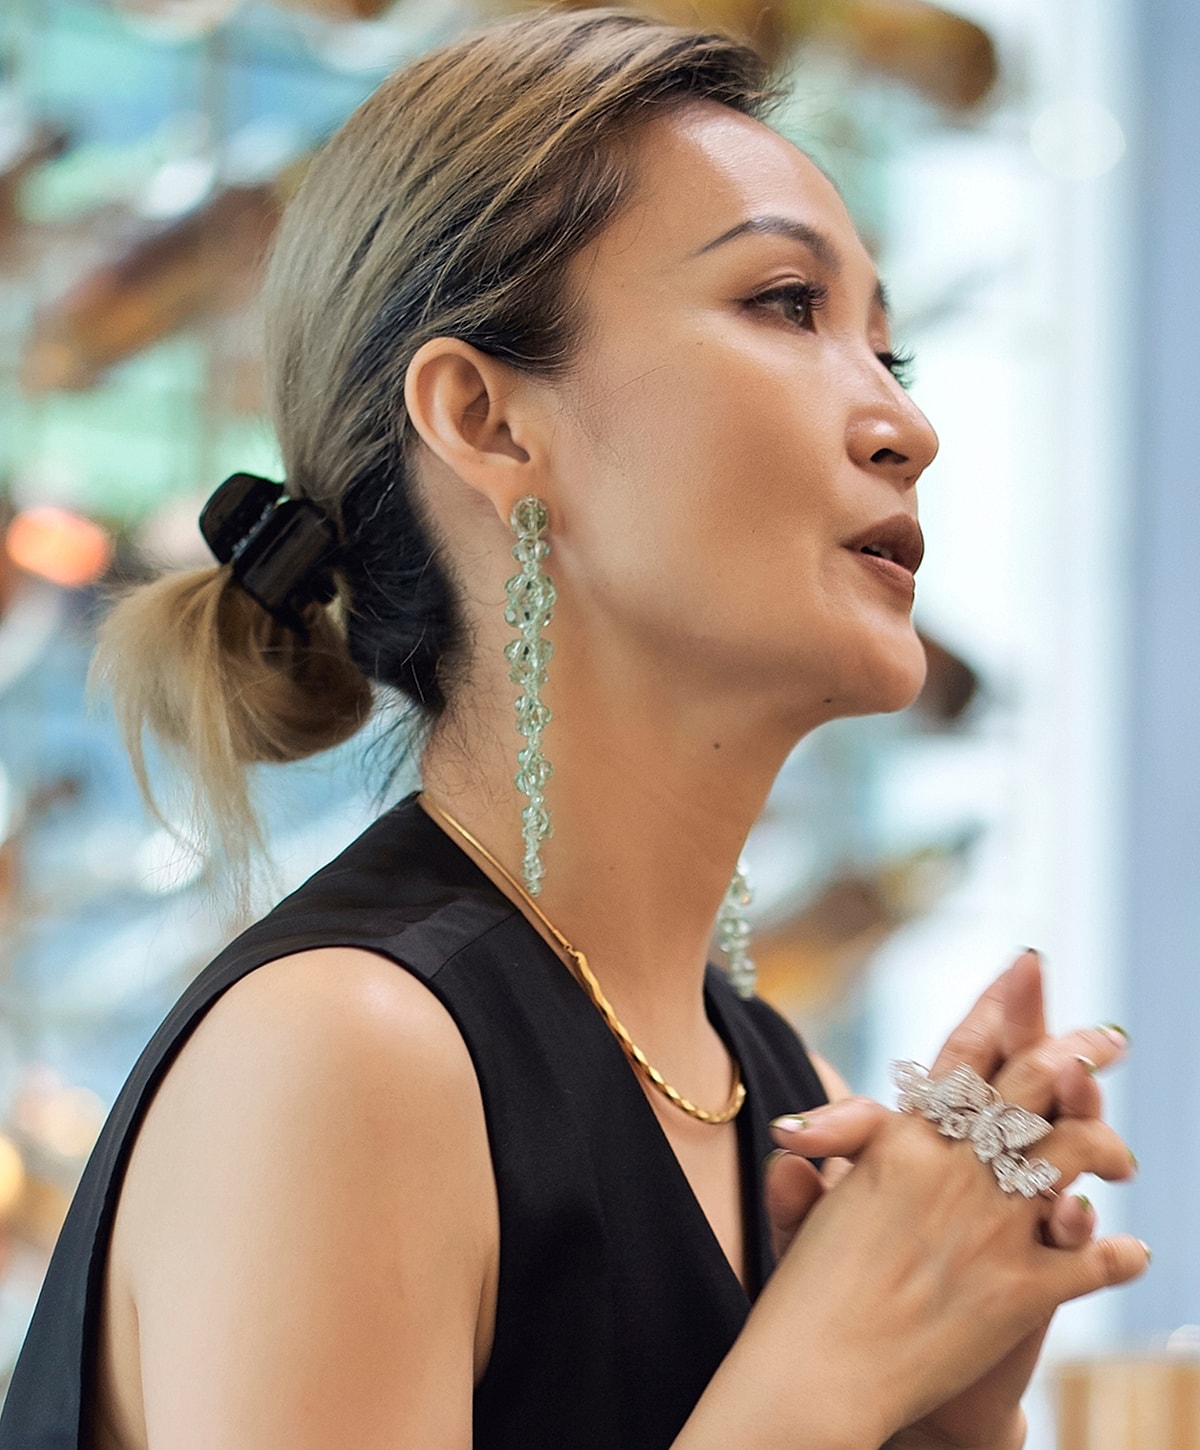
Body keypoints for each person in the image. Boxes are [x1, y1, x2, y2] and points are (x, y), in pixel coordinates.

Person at [0, 9, 1146, 1449]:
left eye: (892, 355)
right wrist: (834, 1368)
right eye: (788, 305)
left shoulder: (781, 1086)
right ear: (484, 419)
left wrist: (951, 1407)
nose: (903, 426)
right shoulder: (344, 1061)